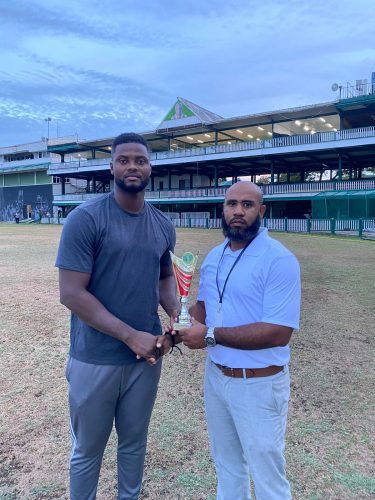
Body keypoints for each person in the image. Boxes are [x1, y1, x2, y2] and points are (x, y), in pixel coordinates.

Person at [55, 132, 179, 499]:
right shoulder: (86, 219)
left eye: (140, 160)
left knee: (134, 445)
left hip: (146, 359)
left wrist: (176, 314)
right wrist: (129, 335)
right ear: (111, 167)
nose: (132, 166)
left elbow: (165, 277)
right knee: (88, 451)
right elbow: (71, 293)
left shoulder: (162, 225)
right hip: (95, 357)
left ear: (150, 168)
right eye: (124, 160)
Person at [177, 181, 301, 500]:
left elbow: (278, 331)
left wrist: (207, 335)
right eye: (232, 204)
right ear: (223, 210)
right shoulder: (215, 257)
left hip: (258, 384)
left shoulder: (278, 259)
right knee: (228, 468)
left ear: (261, 211)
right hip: (217, 378)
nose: (238, 211)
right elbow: (206, 307)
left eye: (247, 205)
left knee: (268, 477)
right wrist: (179, 321)